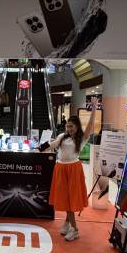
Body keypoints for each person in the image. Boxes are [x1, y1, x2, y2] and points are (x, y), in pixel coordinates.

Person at [44, 98, 98, 241]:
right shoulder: (62, 136)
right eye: (67, 126)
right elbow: (54, 144)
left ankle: (75, 229)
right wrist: (39, 148)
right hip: (60, 168)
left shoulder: (82, 138)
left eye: (71, 126)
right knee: (65, 197)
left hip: (73, 169)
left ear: (77, 126)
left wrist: (94, 109)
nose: (68, 129)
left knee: (70, 199)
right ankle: (67, 223)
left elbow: (90, 126)